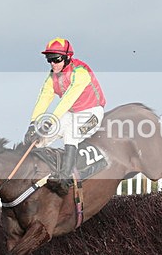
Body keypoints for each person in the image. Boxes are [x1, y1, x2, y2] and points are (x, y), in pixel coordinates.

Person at [25, 37, 106, 196]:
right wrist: (33, 124)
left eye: (56, 59)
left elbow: (68, 99)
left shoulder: (81, 72)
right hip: (71, 113)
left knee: (71, 133)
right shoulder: (52, 77)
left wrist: (50, 120)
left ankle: (66, 176)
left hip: (92, 112)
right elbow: (44, 99)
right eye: (49, 60)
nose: (52, 64)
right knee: (42, 138)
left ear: (68, 58)